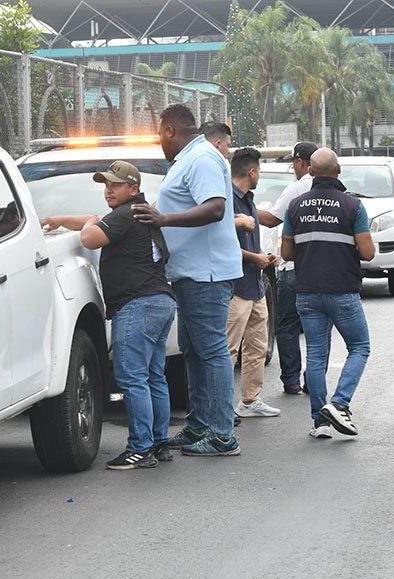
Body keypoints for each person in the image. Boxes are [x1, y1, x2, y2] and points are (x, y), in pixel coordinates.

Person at [41, 161, 176, 470]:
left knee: (132, 378)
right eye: (106, 185)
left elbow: (90, 237)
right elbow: (94, 222)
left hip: (137, 306)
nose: (108, 190)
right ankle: (158, 443)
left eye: (115, 185)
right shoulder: (136, 212)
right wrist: (57, 220)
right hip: (160, 303)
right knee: (153, 376)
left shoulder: (125, 215)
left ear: (133, 188)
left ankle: (140, 449)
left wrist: (89, 223)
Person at [132, 104, 243, 457]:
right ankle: (199, 426)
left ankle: (223, 435)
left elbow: (215, 208)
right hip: (189, 273)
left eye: (158, 136)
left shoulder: (202, 159)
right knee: (194, 352)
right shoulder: (189, 160)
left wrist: (163, 219)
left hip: (206, 274)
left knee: (211, 352)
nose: (159, 144)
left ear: (167, 130)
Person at [281, 148, 374, 438]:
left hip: (307, 291)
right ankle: (339, 404)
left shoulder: (294, 206)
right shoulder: (353, 207)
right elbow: (369, 253)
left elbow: (286, 252)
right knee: (359, 347)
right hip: (342, 290)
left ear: (310, 171)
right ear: (339, 170)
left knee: (317, 355)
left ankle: (320, 422)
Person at [257, 141, 318, 394]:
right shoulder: (337, 193)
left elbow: (272, 220)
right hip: (322, 270)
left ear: (301, 163)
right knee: (317, 327)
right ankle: (313, 380)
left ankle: (292, 380)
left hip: (294, 268)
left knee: (288, 325)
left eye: (294, 162)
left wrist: (241, 209)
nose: (294, 167)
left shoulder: (297, 189)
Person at [226, 148, 280, 418]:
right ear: (251, 172)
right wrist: (254, 258)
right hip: (235, 288)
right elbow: (222, 246)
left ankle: (249, 401)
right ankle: (223, 407)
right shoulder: (226, 201)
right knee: (229, 349)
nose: (258, 175)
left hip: (255, 285)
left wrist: (265, 258)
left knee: (257, 346)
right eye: (258, 170)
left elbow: (247, 243)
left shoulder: (248, 200)